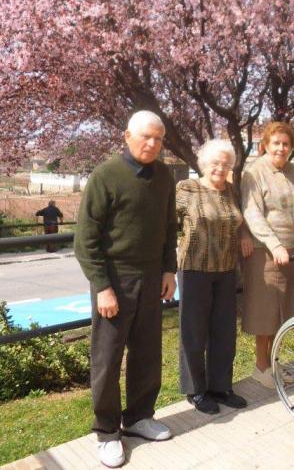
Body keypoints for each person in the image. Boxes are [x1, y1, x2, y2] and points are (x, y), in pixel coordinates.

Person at [75, 111, 177, 468]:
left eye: (158, 138)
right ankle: (107, 432)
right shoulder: (106, 176)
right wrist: (102, 286)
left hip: (152, 277)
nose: (152, 143)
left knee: (147, 352)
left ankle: (138, 417)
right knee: (107, 358)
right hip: (115, 280)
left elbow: (169, 226)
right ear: (127, 136)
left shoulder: (164, 176)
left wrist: (169, 269)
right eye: (146, 136)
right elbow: (85, 240)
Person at [176, 139, 253, 415]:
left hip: (226, 269)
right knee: (194, 332)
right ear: (203, 164)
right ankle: (196, 390)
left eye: (226, 163)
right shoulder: (187, 188)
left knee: (224, 331)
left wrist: (244, 234)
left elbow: (238, 220)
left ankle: (221, 387)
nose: (220, 168)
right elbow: (166, 223)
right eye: (215, 163)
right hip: (194, 269)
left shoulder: (231, 191)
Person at [241, 121, 294, 388]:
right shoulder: (254, 172)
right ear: (265, 146)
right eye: (276, 143)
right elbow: (252, 212)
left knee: (282, 311)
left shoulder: (291, 170)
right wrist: (274, 244)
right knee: (265, 311)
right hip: (266, 252)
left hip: (291, 250)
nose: (281, 148)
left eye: (286, 144)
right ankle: (261, 367)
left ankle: (272, 363)